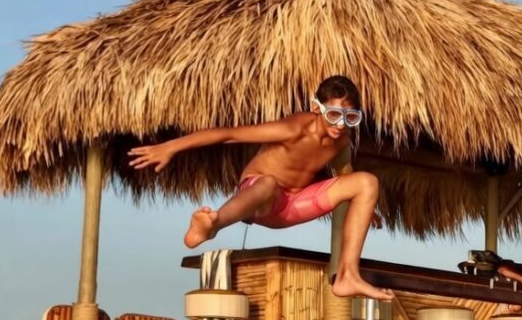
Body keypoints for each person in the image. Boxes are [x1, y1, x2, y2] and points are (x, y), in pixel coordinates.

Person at [128, 75, 394, 302]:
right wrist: (169, 147)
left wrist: (364, 205)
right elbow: (229, 134)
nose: (340, 124)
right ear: (316, 107)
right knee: (268, 183)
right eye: (334, 115)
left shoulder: (341, 140)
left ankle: (348, 275)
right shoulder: (293, 128)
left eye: (350, 117)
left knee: (367, 182)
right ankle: (213, 224)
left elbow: (344, 172)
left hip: (293, 206)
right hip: (260, 199)